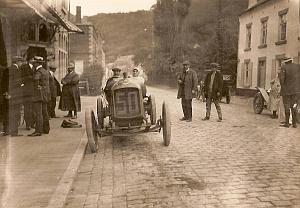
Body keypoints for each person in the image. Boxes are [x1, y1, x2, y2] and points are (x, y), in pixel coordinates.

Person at [1, 56, 25, 136]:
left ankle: (6, 130)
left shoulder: (6, 70)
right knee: (15, 113)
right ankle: (14, 132)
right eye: (21, 62)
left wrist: (6, 93)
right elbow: (17, 84)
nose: (21, 63)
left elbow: (3, 83)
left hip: (7, 95)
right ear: (17, 62)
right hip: (15, 96)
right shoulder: (17, 70)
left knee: (6, 113)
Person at [28, 56, 50, 137]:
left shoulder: (38, 72)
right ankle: (46, 129)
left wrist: (36, 86)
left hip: (38, 95)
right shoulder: (45, 71)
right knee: (45, 112)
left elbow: (36, 79)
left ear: (37, 63)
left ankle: (38, 131)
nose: (33, 64)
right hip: (45, 94)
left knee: (38, 113)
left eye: (34, 63)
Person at [278, 57, 300, 128]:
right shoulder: (298, 66)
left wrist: (283, 89)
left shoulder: (284, 67)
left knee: (287, 106)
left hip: (287, 91)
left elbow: (282, 80)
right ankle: (294, 124)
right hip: (297, 91)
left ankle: (287, 123)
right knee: (294, 106)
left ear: (285, 62)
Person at [21, 56, 35, 130]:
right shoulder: (24, 67)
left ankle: (32, 123)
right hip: (27, 91)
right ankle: (28, 125)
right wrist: (31, 77)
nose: (34, 60)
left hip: (34, 91)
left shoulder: (35, 67)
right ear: (29, 60)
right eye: (32, 59)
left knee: (33, 108)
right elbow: (22, 78)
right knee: (27, 108)